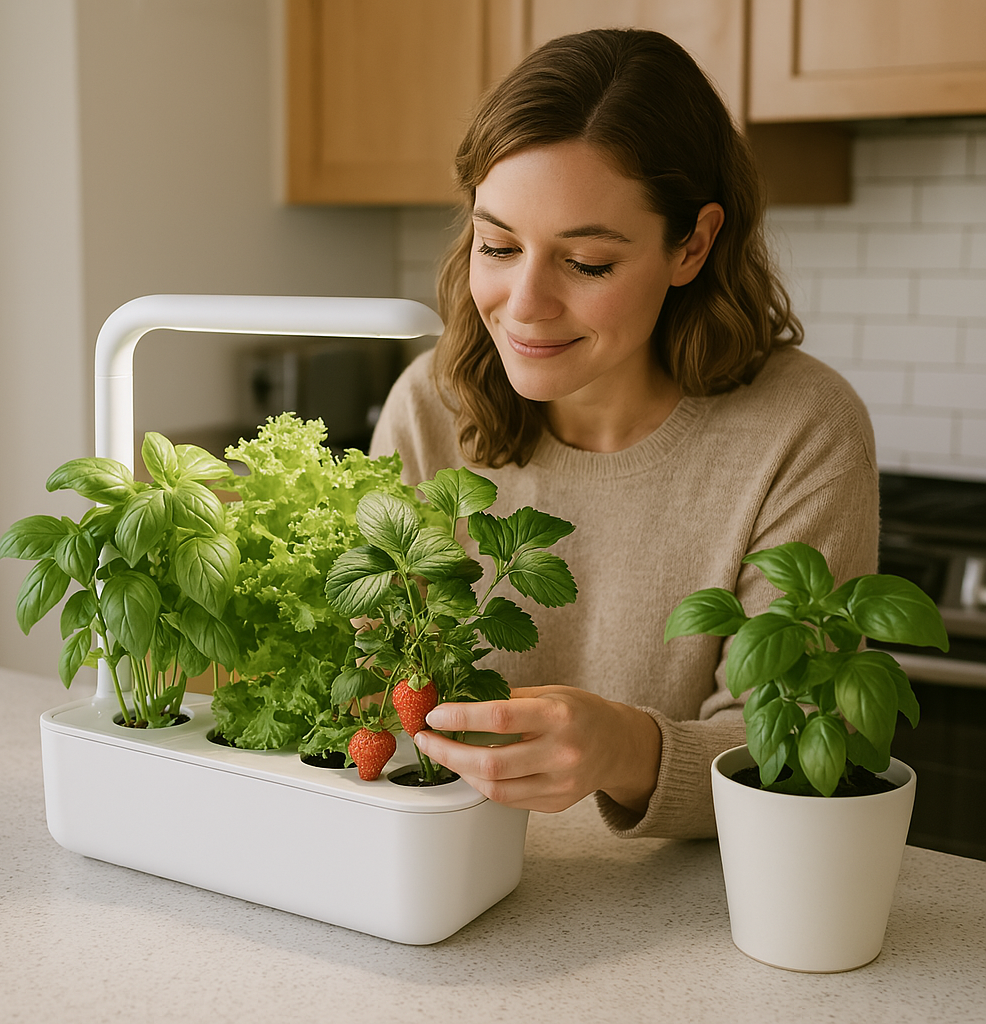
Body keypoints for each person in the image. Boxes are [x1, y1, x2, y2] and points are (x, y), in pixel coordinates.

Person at [368, 28, 878, 839]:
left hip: (691, 923)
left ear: (693, 244)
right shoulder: (430, 407)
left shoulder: (801, 429)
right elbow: (367, 678)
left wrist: (627, 750)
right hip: (447, 879)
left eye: (588, 264)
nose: (524, 304)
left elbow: (808, 747)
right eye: (497, 245)